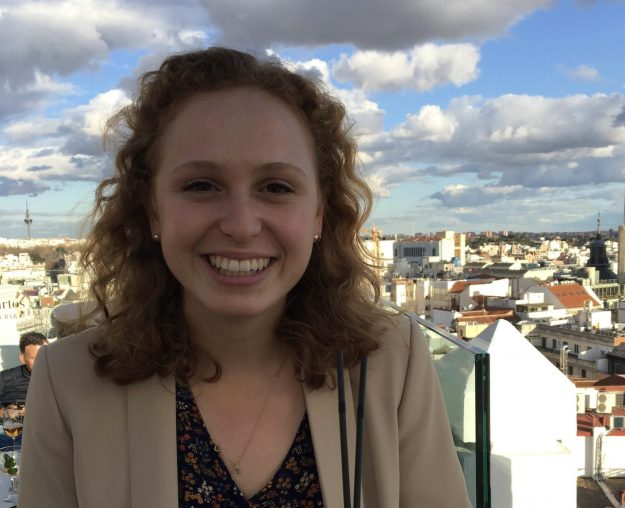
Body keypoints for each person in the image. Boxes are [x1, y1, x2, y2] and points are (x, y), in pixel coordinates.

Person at [20, 48, 471, 507]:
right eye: (201, 185)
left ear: (318, 213)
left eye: (276, 187)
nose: (241, 224)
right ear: (152, 209)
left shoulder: (392, 362)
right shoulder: (68, 381)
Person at [0, 331, 47, 409]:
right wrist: (6, 413)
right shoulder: (4, 378)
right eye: (35, 358)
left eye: (46, 355)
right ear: (22, 359)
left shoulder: (61, 375)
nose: (43, 361)